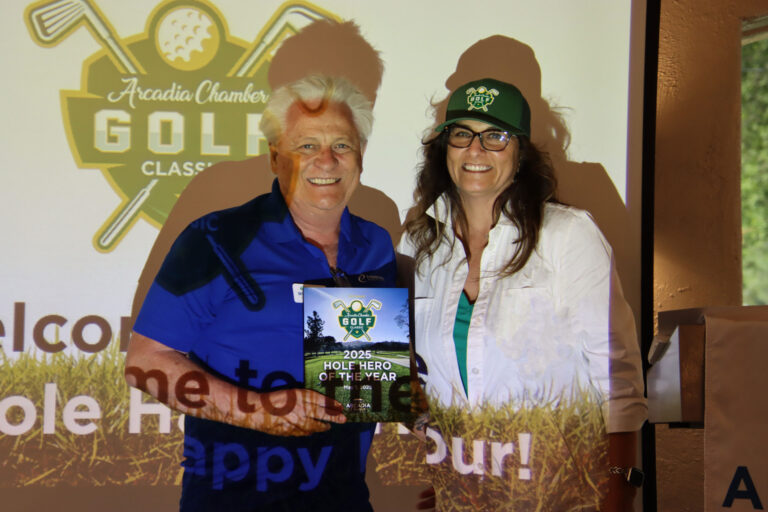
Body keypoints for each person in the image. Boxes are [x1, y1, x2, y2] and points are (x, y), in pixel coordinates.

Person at [125, 75, 396, 511]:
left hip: (344, 497)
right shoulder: (216, 239)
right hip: (234, 498)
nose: (326, 161)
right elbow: (143, 363)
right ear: (275, 157)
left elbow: (361, 382)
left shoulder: (376, 245)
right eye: (306, 145)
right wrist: (254, 409)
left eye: (341, 145)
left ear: (360, 157)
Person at [399, 78, 647, 511]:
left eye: (496, 136)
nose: (476, 150)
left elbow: (618, 384)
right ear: (445, 148)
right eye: (462, 134)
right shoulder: (418, 246)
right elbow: (414, 375)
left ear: (521, 153)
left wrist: (619, 491)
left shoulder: (568, 235)